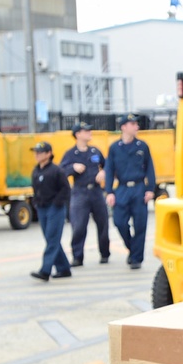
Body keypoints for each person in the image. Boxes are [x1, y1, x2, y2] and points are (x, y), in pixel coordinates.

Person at [103, 113, 156, 270]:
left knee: (140, 225)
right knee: (119, 221)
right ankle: (133, 249)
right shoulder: (114, 148)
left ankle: (136, 259)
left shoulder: (142, 146)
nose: (136, 127)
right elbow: (109, 170)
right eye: (133, 124)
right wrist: (109, 192)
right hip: (123, 188)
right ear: (124, 127)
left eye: (136, 124)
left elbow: (150, 169)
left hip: (139, 188)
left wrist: (150, 189)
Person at [60, 122, 110, 266]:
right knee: (79, 226)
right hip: (80, 192)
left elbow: (107, 165)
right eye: (85, 131)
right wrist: (72, 167)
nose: (89, 133)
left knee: (103, 223)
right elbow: (61, 171)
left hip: (96, 191)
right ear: (78, 135)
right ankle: (77, 257)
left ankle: (105, 253)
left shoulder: (95, 151)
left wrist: (103, 171)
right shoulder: (71, 154)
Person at [28, 141, 72, 282]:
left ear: (49, 154)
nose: (37, 155)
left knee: (52, 239)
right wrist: (35, 202)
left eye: (40, 152)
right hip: (42, 207)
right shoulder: (36, 171)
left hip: (55, 208)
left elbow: (66, 189)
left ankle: (45, 270)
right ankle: (64, 268)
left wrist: (57, 203)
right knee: (50, 238)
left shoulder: (56, 170)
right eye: (36, 152)